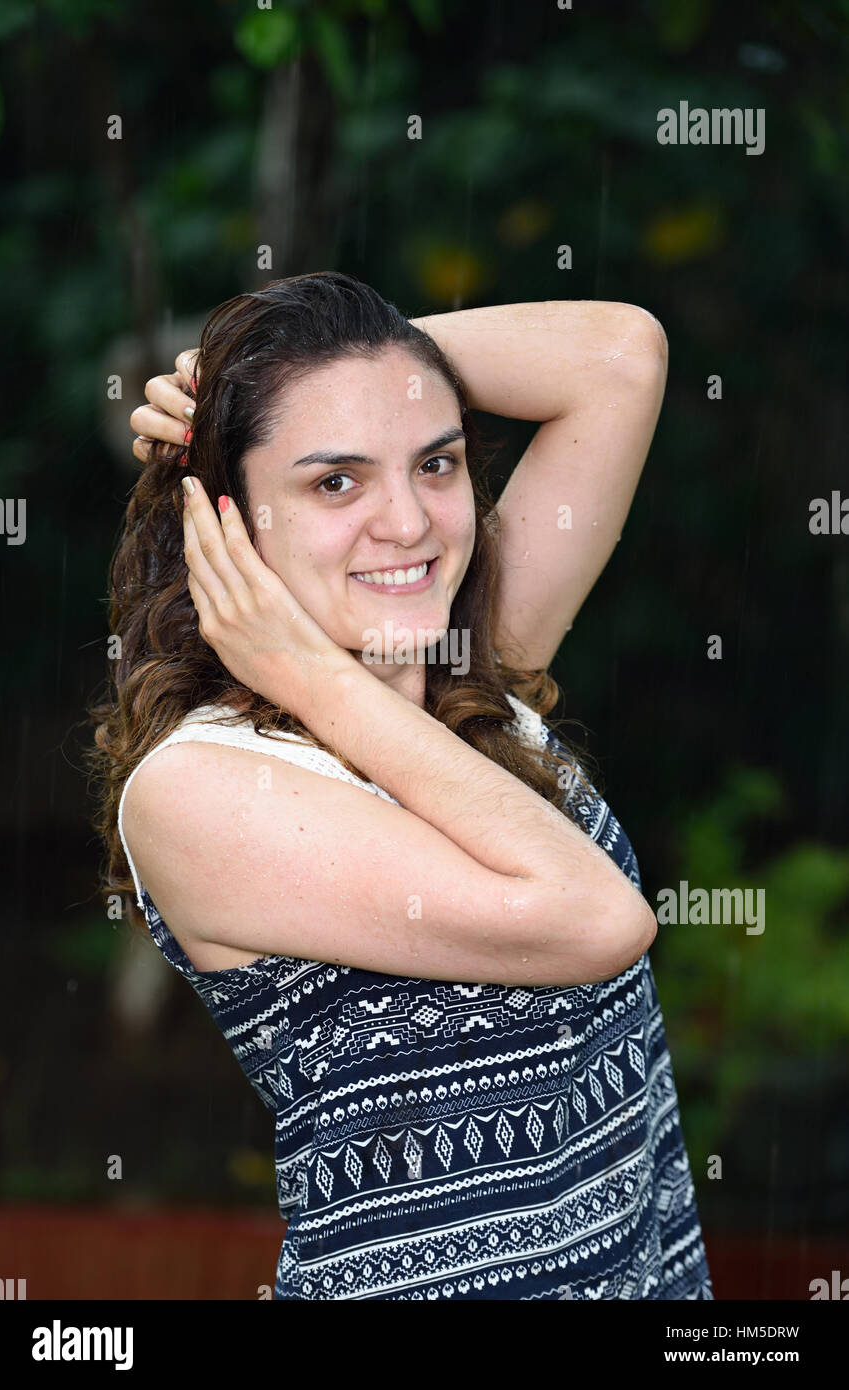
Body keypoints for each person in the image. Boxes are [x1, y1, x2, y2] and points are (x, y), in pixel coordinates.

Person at [90, 270, 713, 1300]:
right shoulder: (198, 791)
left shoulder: (473, 675)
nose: (408, 522)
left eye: (435, 462)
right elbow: (598, 920)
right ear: (233, 522)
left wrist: (325, 368)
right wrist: (312, 676)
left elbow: (620, 356)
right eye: (335, 481)